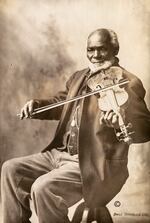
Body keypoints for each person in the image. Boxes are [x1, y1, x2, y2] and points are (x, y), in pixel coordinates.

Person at [1, 28, 150, 223]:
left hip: (93, 163)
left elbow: (145, 127)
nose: (95, 55)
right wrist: (36, 105)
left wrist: (119, 125)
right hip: (58, 155)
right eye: (91, 49)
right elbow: (60, 104)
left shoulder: (127, 83)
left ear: (115, 50)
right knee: (10, 169)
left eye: (102, 49)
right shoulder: (79, 77)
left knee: (43, 187)